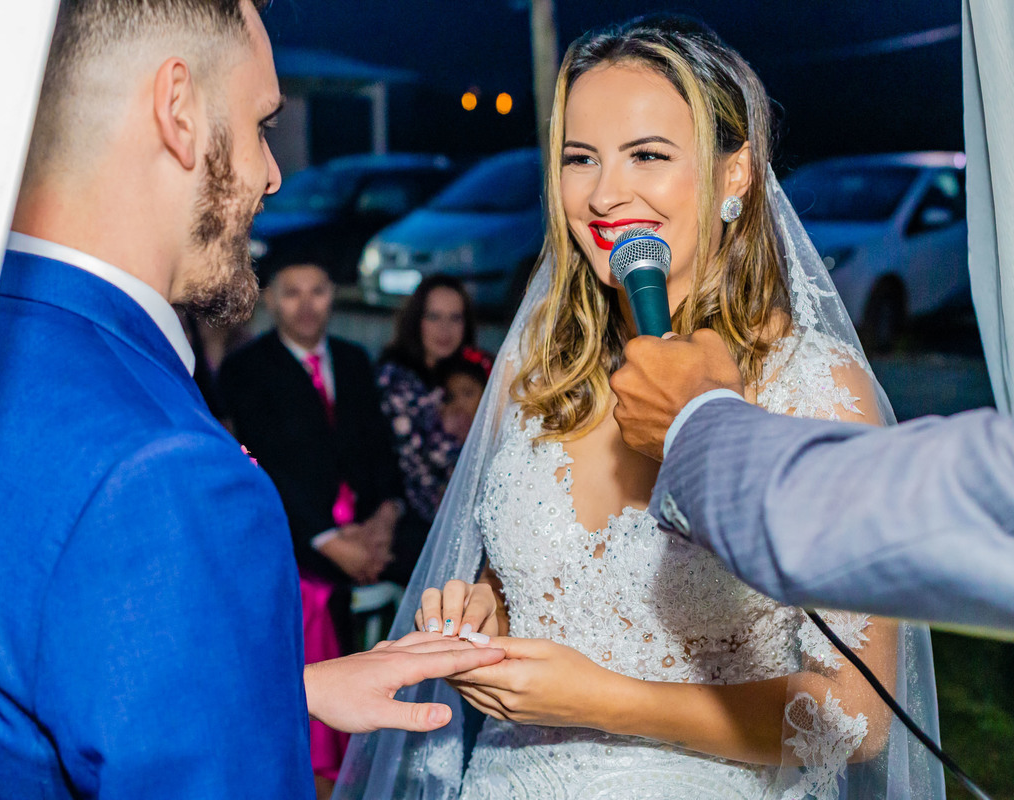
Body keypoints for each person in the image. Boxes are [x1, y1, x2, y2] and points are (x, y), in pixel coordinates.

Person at [0, 2, 502, 798]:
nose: (274, 173)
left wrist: (271, 695)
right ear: (179, 111)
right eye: (261, 123)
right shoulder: (166, 472)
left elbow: (11, 669)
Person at [336, 16, 943, 800]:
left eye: (648, 156)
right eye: (579, 159)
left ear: (736, 176)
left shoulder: (818, 395)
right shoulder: (537, 372)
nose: (605, 193)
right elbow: (519, 585)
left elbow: (856, 719)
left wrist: (602, 701)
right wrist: (482, 613)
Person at [608, 328, 1014, 632]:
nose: (604, 206)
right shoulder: (546, 372)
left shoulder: (817, 377)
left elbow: (935, 502)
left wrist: (694, 422)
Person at [217, 260, 406, 795]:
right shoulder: (246, 369)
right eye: (291, 293)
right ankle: (316, 757)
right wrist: (328, 540)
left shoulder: (352, 359)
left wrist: (385, 518)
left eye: (318, 291)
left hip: (367, 526)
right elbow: (266, 467)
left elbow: (377, 448)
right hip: (293, 531)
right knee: (313, 592)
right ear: (271, 301)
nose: (305, 305)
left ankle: (387, 745)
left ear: (333, 297)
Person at [376, 274, 491, 580]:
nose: (445, 329)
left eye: (455, 318)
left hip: (457, 514)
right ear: (417, 322)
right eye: (434, 317)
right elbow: (437, 460)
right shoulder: (397, 377)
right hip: (412, 522)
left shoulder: (465, 375)